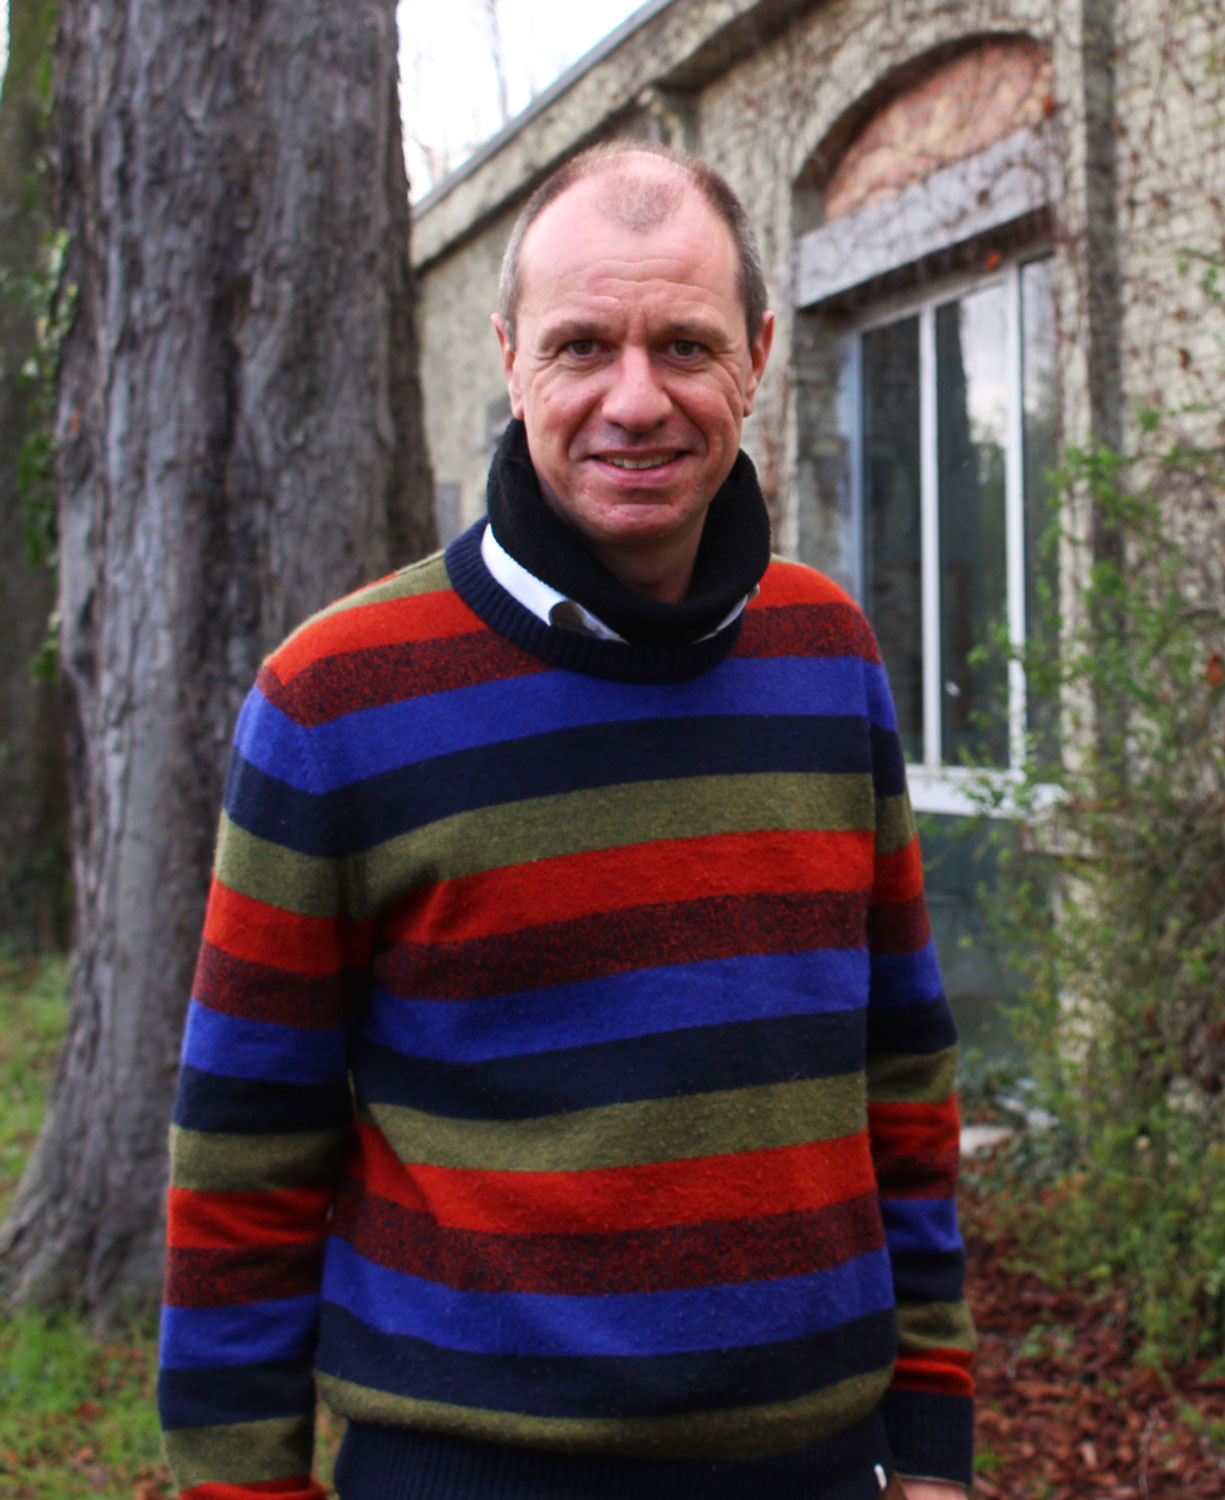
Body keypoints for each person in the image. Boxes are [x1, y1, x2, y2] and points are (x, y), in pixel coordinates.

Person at [158, 141, 975, 1500]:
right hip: (467, 1470)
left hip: (820, 1465)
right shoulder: (334, 699)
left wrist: (934, 1443)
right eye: (582, 344)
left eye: (687, 345)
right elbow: (246, 1150)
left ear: (759, 356)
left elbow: (901, 1069)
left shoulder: (826, 657)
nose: (634, 400)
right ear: (508, 355)